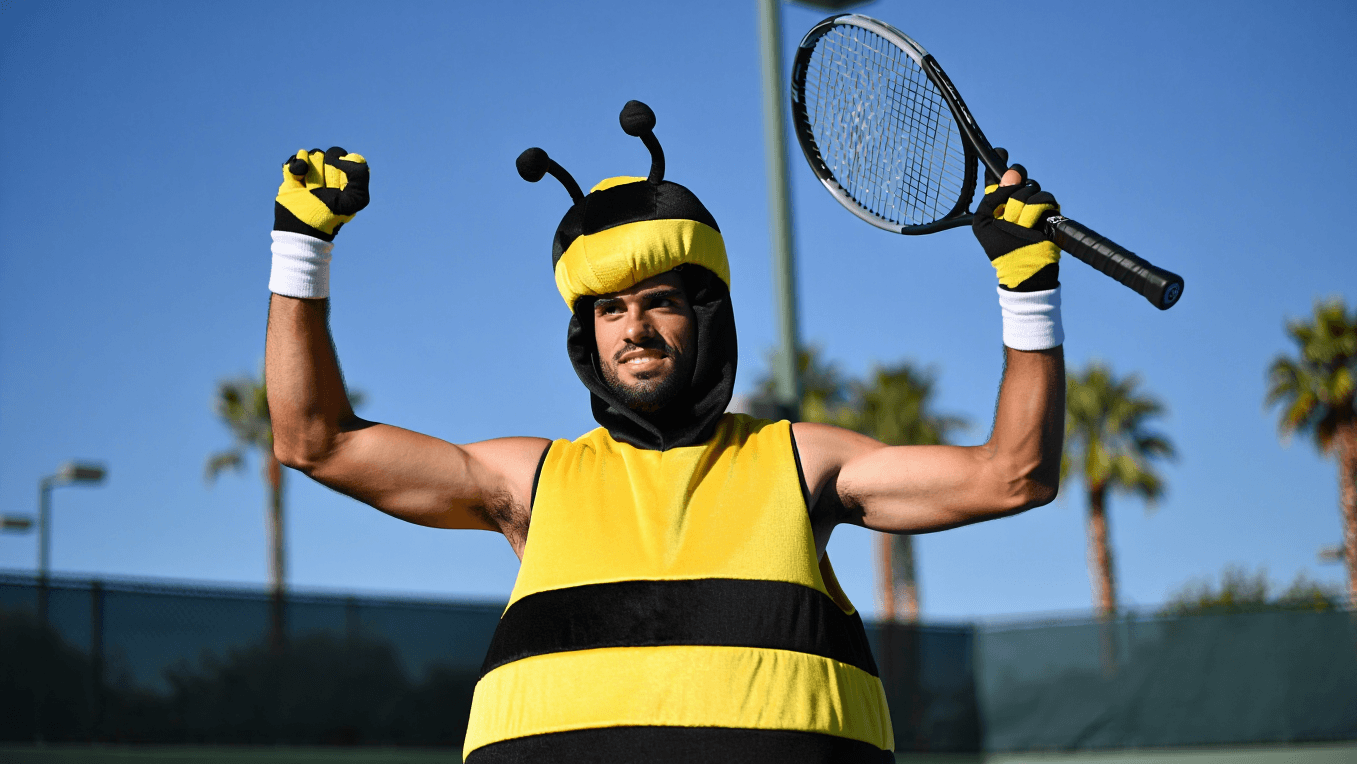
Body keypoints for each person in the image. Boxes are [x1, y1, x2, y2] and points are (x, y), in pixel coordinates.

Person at [264, 101, 1064, 764]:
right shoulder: (532, 480)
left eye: (660, 302)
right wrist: (300, 249)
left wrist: (1027, 287)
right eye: (609, 309)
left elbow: (1012, 475)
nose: (634, 328)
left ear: (705, 318)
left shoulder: (794, 460)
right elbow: (316, 441)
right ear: (586, 335)